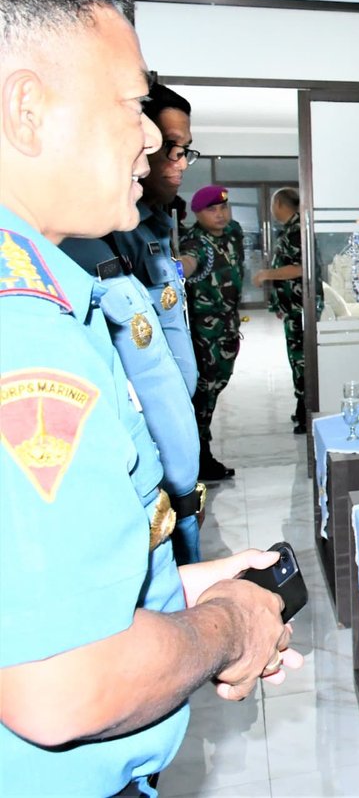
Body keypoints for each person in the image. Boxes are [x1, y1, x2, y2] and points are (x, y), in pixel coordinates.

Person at [0, 0, 299, 797]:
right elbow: (62, 688)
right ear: (27, 109)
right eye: (133, 106)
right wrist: (228, 624)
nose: (150, 139)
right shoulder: (22, 335)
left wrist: (169, 588)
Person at [59, 82, 209, 559]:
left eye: (185, 151)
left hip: (173, 466)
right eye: (170, 148)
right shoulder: (88, 240)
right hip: (146, 481)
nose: (176, 162)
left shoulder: (152, 226)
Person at [181, 186, 244, 481]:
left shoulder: (233, 233)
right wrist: (175, 267)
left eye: (223, 208)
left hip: (228, 329)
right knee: (203, 396)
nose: (220, 214)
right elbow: (188, 261)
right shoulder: (195, 242)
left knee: (215, 390)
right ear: (197, 214)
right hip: (204, 335)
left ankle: (199, 454)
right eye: (211, 210)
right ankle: (199, 458)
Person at [253, 188, 305, 435]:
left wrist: (267, 274)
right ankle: (302, 407)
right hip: (293, 307)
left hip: (301, 308)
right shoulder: (291, 229)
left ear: (280, 205)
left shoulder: (296, 231)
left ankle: (306, 412)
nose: (273, 210)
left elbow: (300, 268)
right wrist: (279, 302)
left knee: (302, 361)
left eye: (274, 205)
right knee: (297, 360)